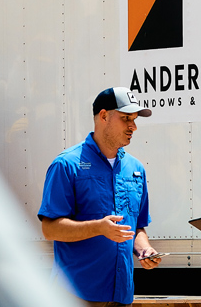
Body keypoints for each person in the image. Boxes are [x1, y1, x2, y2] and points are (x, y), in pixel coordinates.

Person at [39, 87, 162, 307]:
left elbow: (137, 228)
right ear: (104, 116)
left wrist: (144, 250)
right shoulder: (67, 165)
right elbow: (50, 229)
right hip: (76, 295)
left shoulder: (135, 168)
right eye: (126, 119)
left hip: (121, 295)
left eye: (134, 120)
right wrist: (99, 227)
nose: (133, 126)